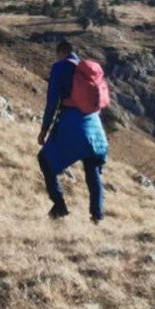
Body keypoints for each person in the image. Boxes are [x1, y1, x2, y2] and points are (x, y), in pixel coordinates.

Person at [37, 40, 108, 223]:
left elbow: (52, 102)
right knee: (92, 170)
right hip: (96, 127)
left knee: (45, 160)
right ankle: (97, 216)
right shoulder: (87, 72)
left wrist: (44, 130)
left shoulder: (60, 67)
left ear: (60, 52)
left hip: (73, 124)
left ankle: (59, 205)